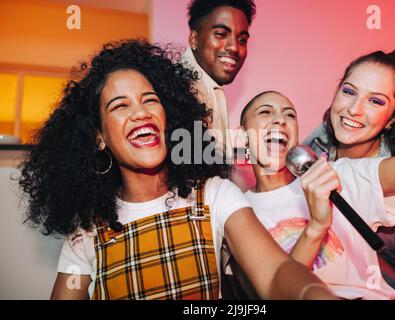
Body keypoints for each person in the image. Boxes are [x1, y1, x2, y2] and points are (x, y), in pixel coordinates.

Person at [17, 39, 336, 300]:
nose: (141, 112)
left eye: (150, 100)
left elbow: (276, 272)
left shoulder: (215, 195)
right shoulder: (85, 232)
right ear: (99, 137)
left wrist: (312, 293)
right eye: (120, 105)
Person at [225, 90, 395, 300]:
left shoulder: (338, 174)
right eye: (265, 112)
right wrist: (317, 225)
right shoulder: (237, 212)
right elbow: (277, 291)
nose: (280, 120)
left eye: (289, 115)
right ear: (242, 137)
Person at [304, 51, 395, 299]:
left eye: (376, 101)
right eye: (349, 91)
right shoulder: (322, 140)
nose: (353, 110)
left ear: (393, 117)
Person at [182, 0, 255, 161]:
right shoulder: (178, 91)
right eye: (221, 34)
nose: (234, 47)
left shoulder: (209, 88)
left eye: (242, 39)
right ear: (194, 39)